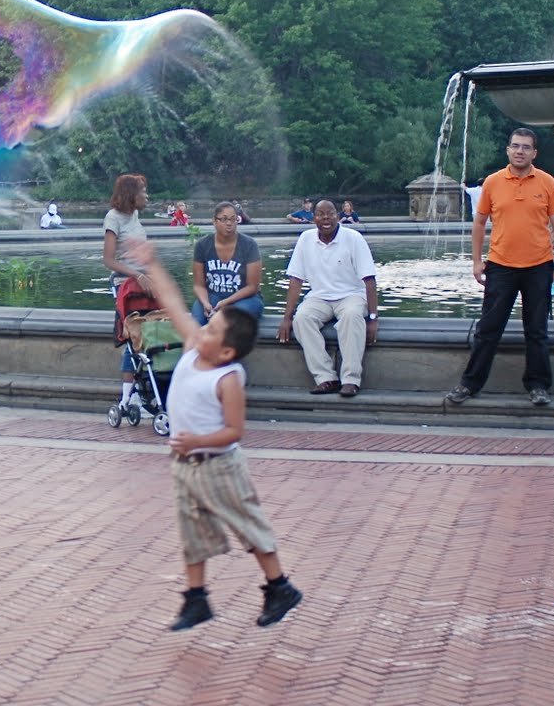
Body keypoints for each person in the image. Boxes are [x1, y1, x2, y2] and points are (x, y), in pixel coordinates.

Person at [127, 236, 303, 632]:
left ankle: (279, 586)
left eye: (212, 330)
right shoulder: (194, 348)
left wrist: (196, 441)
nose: (202, 329)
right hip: (186, 464)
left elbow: (233, 431)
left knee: (247, 524)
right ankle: (196, 598)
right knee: (192, 530)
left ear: (226, 352)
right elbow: (172, 303)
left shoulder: (228, 379)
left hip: (220, 466)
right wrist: (151, 263)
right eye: (206, 324)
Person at [445, 128, 554, 409]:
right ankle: (470, 383)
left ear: (534, 153)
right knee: (488, 328)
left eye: (526, 147)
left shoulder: (547, 182)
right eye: (515, 146)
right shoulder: (493, 182)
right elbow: (479, 224)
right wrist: (477, 261)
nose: (520, 151)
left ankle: (538, 385)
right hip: (500, 265)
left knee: (537, 329)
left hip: (539, 265)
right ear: (508, 150)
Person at [277, 200, 378, 397]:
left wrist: (373, 318)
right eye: (320, 214)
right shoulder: (305, 239)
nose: (325, 218)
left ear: (337, 215)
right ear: (313, 218)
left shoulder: (353, 238)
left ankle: (351, 379)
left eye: (330, 213)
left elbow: (369, 280)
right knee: (302, 319)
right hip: (319, 297)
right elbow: (296, 280)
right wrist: (287, 317)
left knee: (351, 316)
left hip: (351, 295)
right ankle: (326, 378)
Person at [103, 173, 151, 410]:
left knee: (151, 332)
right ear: (131, 195)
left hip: (146, 282)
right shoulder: (114, 219)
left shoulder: (135, 215)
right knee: (133, 337)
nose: (146, 196)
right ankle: (127, 396)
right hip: (128, 286)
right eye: (143, 192)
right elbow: (109, 260)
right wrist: (136, 275)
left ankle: (143, 390)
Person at [192, 202, 265, 328]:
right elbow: (199, 285)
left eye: (233, 219)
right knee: (197, 322)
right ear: (214, 221)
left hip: (244, 299)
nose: (229, 223)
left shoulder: (249, 245)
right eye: (224, 219)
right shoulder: (202, 246)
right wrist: (205, 304)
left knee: (228, 321)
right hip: (213, 296)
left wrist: (226, 303)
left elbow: (252, 287)